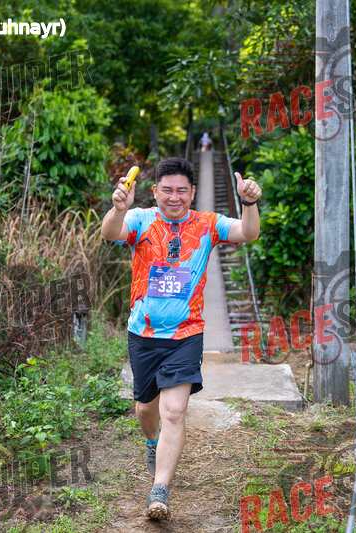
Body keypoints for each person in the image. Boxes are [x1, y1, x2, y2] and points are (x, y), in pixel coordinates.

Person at [100, 156, 261, 520]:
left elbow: (247, 233)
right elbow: (110, 233)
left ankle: (159, 491)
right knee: (146, 407)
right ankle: (152, 441)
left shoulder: (207, 224)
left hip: (187, 333)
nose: (174, 197)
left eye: (182, 191)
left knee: (174, 410)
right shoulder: (140, 219)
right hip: (143, 333)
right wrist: (118, 208)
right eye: (167, 190)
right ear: (155, 191)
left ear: (193, 192)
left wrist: (248, 203)